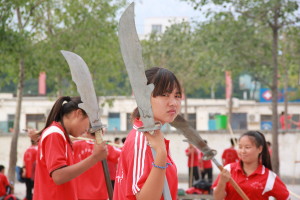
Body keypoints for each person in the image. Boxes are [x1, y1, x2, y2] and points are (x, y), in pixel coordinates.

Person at [113, 67, 182, 200]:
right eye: (164, 95)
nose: (173, 103)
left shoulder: (153, 136)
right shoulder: (142, 140)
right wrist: (161, 154)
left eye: (177, 96)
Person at [32, 96, 108, 200]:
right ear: (79, 113)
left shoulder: (62, 136)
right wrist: (94, 158)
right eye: (89, 122)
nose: (87, 129)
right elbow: (59, 176)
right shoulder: (54, 133)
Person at [213, 131, 290, 200]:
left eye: (247, 147)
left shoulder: (269, 177)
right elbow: (217, 198)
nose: (242, 151)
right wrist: (222, 182)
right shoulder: (228, 169)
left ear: (260, 149)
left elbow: (286, 198)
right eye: (240, 147)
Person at [73, 131, 120, 199]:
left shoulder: (75, 145)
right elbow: (123, 154)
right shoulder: (105, 147)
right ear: (102, 133)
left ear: (87, 132)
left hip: (80, 193)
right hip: (100, 194)